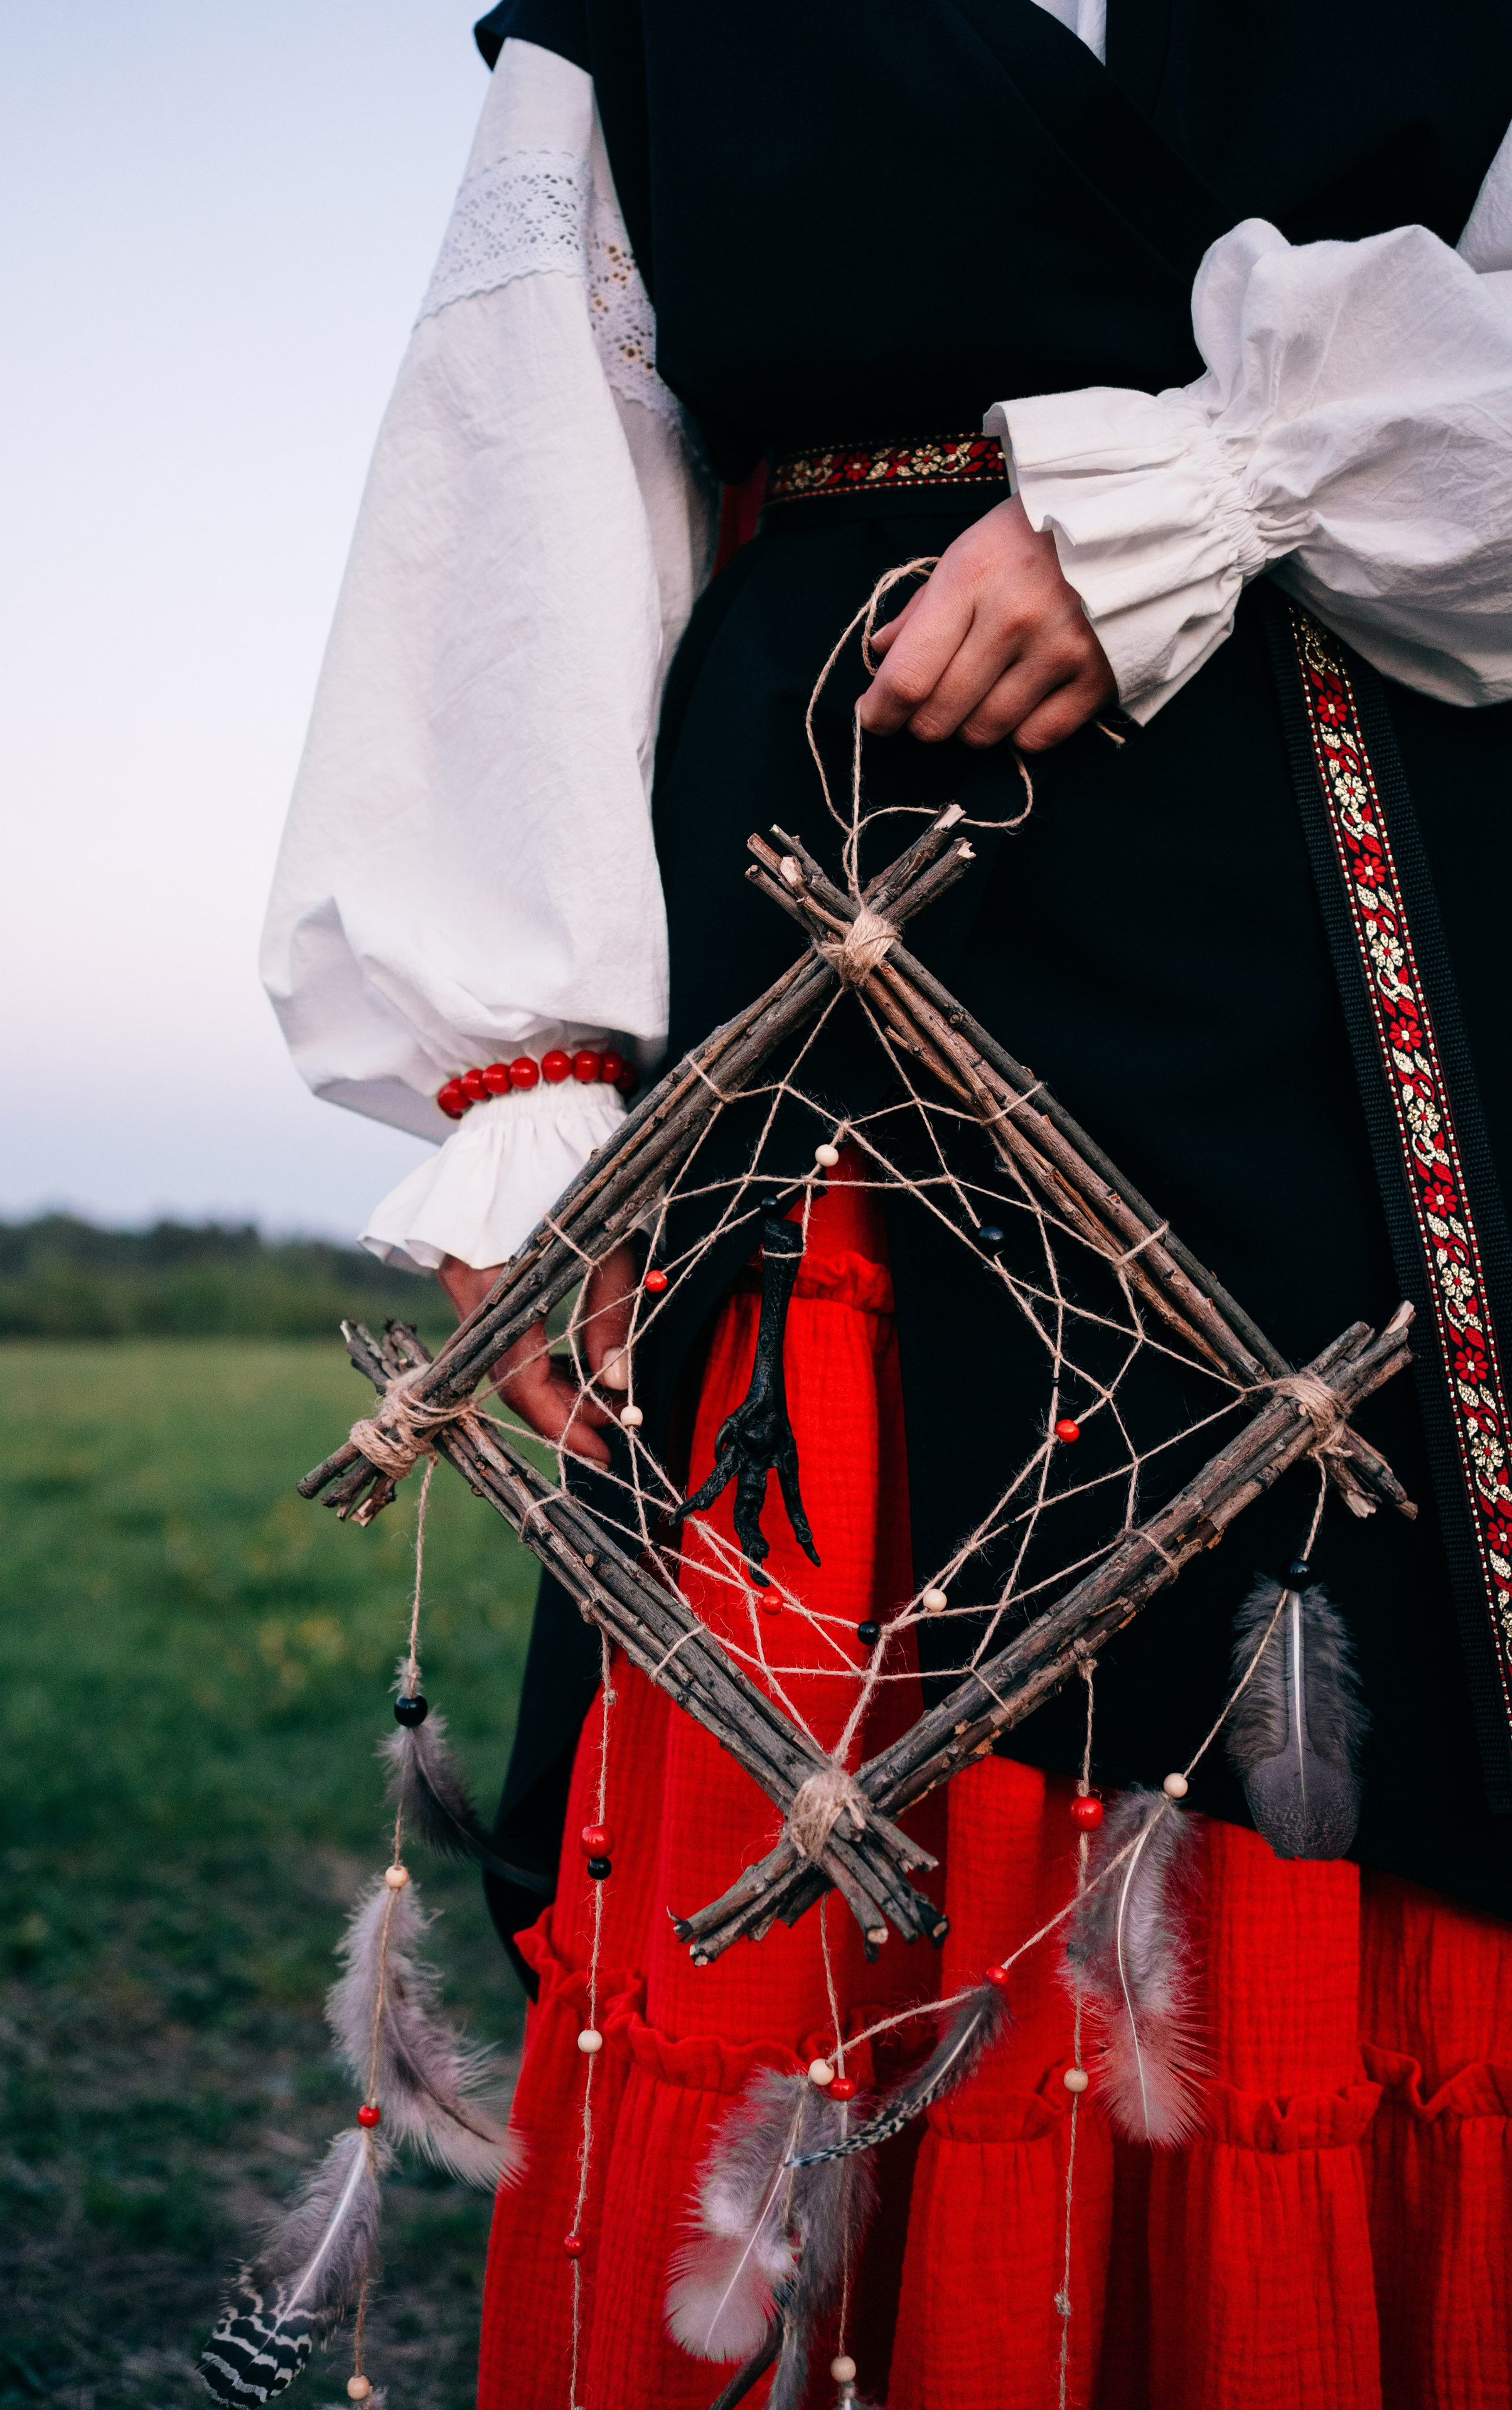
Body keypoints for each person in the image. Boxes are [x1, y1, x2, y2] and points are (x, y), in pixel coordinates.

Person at [262, 4, 1512, 2401]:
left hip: (1347, 951)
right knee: (833, 1751)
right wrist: (519, 1062)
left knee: (1341, 1716)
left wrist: (1199, 489)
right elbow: (530, 437)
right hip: (821, 990)